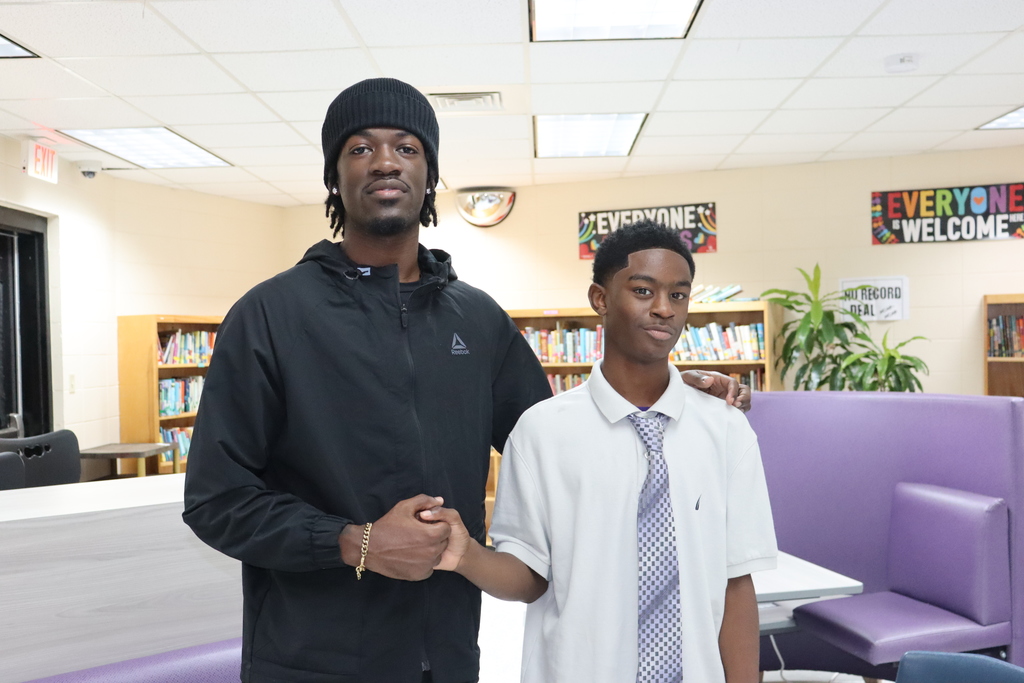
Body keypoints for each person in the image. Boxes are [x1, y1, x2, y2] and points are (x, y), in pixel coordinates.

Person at [182, 77, 753, 683]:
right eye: (360, 148)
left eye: (406, 147)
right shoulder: (270, 316)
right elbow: (217, 501)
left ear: (429, 174)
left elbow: (564, 438)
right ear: (334, 176)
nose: (384, 162)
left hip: (447, 657)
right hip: (312, 660)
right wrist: (355, 542)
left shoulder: (477, 320)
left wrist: (663, 388)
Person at [427, 219, 778, 683]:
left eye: (678, 295)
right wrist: (467, 555)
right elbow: (530, 575)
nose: (663, 309)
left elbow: (736, 583)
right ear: (600, 300)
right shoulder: (541, 432)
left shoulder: (725, 428)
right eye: (642, 290)